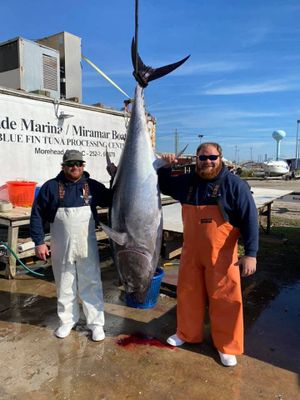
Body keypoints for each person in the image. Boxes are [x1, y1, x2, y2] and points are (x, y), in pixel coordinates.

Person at [158, 142, 258, 366]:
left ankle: (227, 345)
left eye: (212, 157)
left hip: (222, 255)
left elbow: (250, 219)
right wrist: (165, 166)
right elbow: (164, 186)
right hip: (191, 253)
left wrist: (250, 253)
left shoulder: (234, 185)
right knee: (188, 293)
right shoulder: (187, 182)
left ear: (220, 157)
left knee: (225, 298)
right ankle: (186, 333)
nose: (207, 162)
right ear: (196, 159)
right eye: (202, 158)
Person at [30, 149, 113, 341]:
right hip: (61, 245)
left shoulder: (92, 186)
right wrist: (39, 242)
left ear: (83, 166)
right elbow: (37, 214)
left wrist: (114, 176)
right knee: (65, 283)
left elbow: (112, 198)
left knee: (91, 281)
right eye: (70, 164)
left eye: (78, 164)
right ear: (63, 166)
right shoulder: (50, 187)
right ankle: (67, 321)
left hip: (87, 245)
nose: (74, 167)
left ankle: (96, 324)